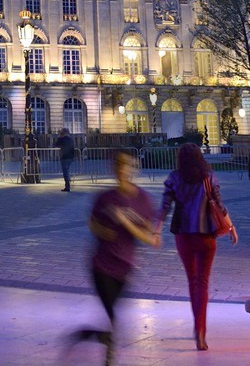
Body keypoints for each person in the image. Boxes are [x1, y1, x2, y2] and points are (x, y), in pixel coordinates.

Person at [69, 149, 159, 365]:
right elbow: (92, 223)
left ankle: (91, 335)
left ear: (133, 168)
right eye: (117, 164)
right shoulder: (104, 198)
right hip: (101, 264)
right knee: (112, 316)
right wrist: (99, 230)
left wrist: (125, 222)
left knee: (112, 317)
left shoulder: (143, 200)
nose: (121, 168)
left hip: (125, 267)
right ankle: (108, 356)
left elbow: (153, 239)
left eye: (126, 164)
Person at [161, 142, 237, 351]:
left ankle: (198, 328)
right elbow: (218, 204)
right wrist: (230, 227)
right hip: (207, 237)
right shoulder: (209, 176)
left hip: (184, 236)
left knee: (192, 281)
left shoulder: (174, 178)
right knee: (202, 282)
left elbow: (165, 205)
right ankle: (200, 331)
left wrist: (156, 228)